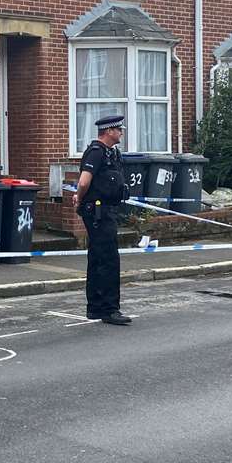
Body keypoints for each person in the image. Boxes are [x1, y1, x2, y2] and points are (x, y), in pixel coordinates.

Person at [74, 113, 131, 325]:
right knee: (108, 259)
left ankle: (95, 307)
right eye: (118, 130)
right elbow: (83, 182)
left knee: (98, 257)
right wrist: (79, 199)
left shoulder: (111, 153)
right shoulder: (96, 152)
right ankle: (109, 309)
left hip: (106, 209)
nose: (121, 133)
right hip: (99, 212)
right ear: (108, 131)